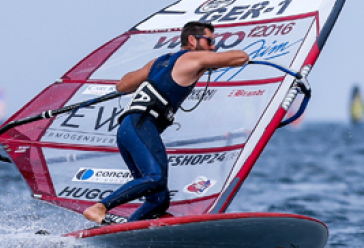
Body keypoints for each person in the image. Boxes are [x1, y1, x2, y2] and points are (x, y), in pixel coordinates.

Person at [82, 21, 249, 224]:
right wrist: (209, 61)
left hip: (128, 130)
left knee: (159, 200)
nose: (214, 46)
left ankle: (128, 232)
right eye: (210, 41)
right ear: (191, 40)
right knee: (155, 177)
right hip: (142, 125)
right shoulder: (193, 57)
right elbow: (241, 57)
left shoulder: (158, 62)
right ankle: (101, 207)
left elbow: (122, 85)